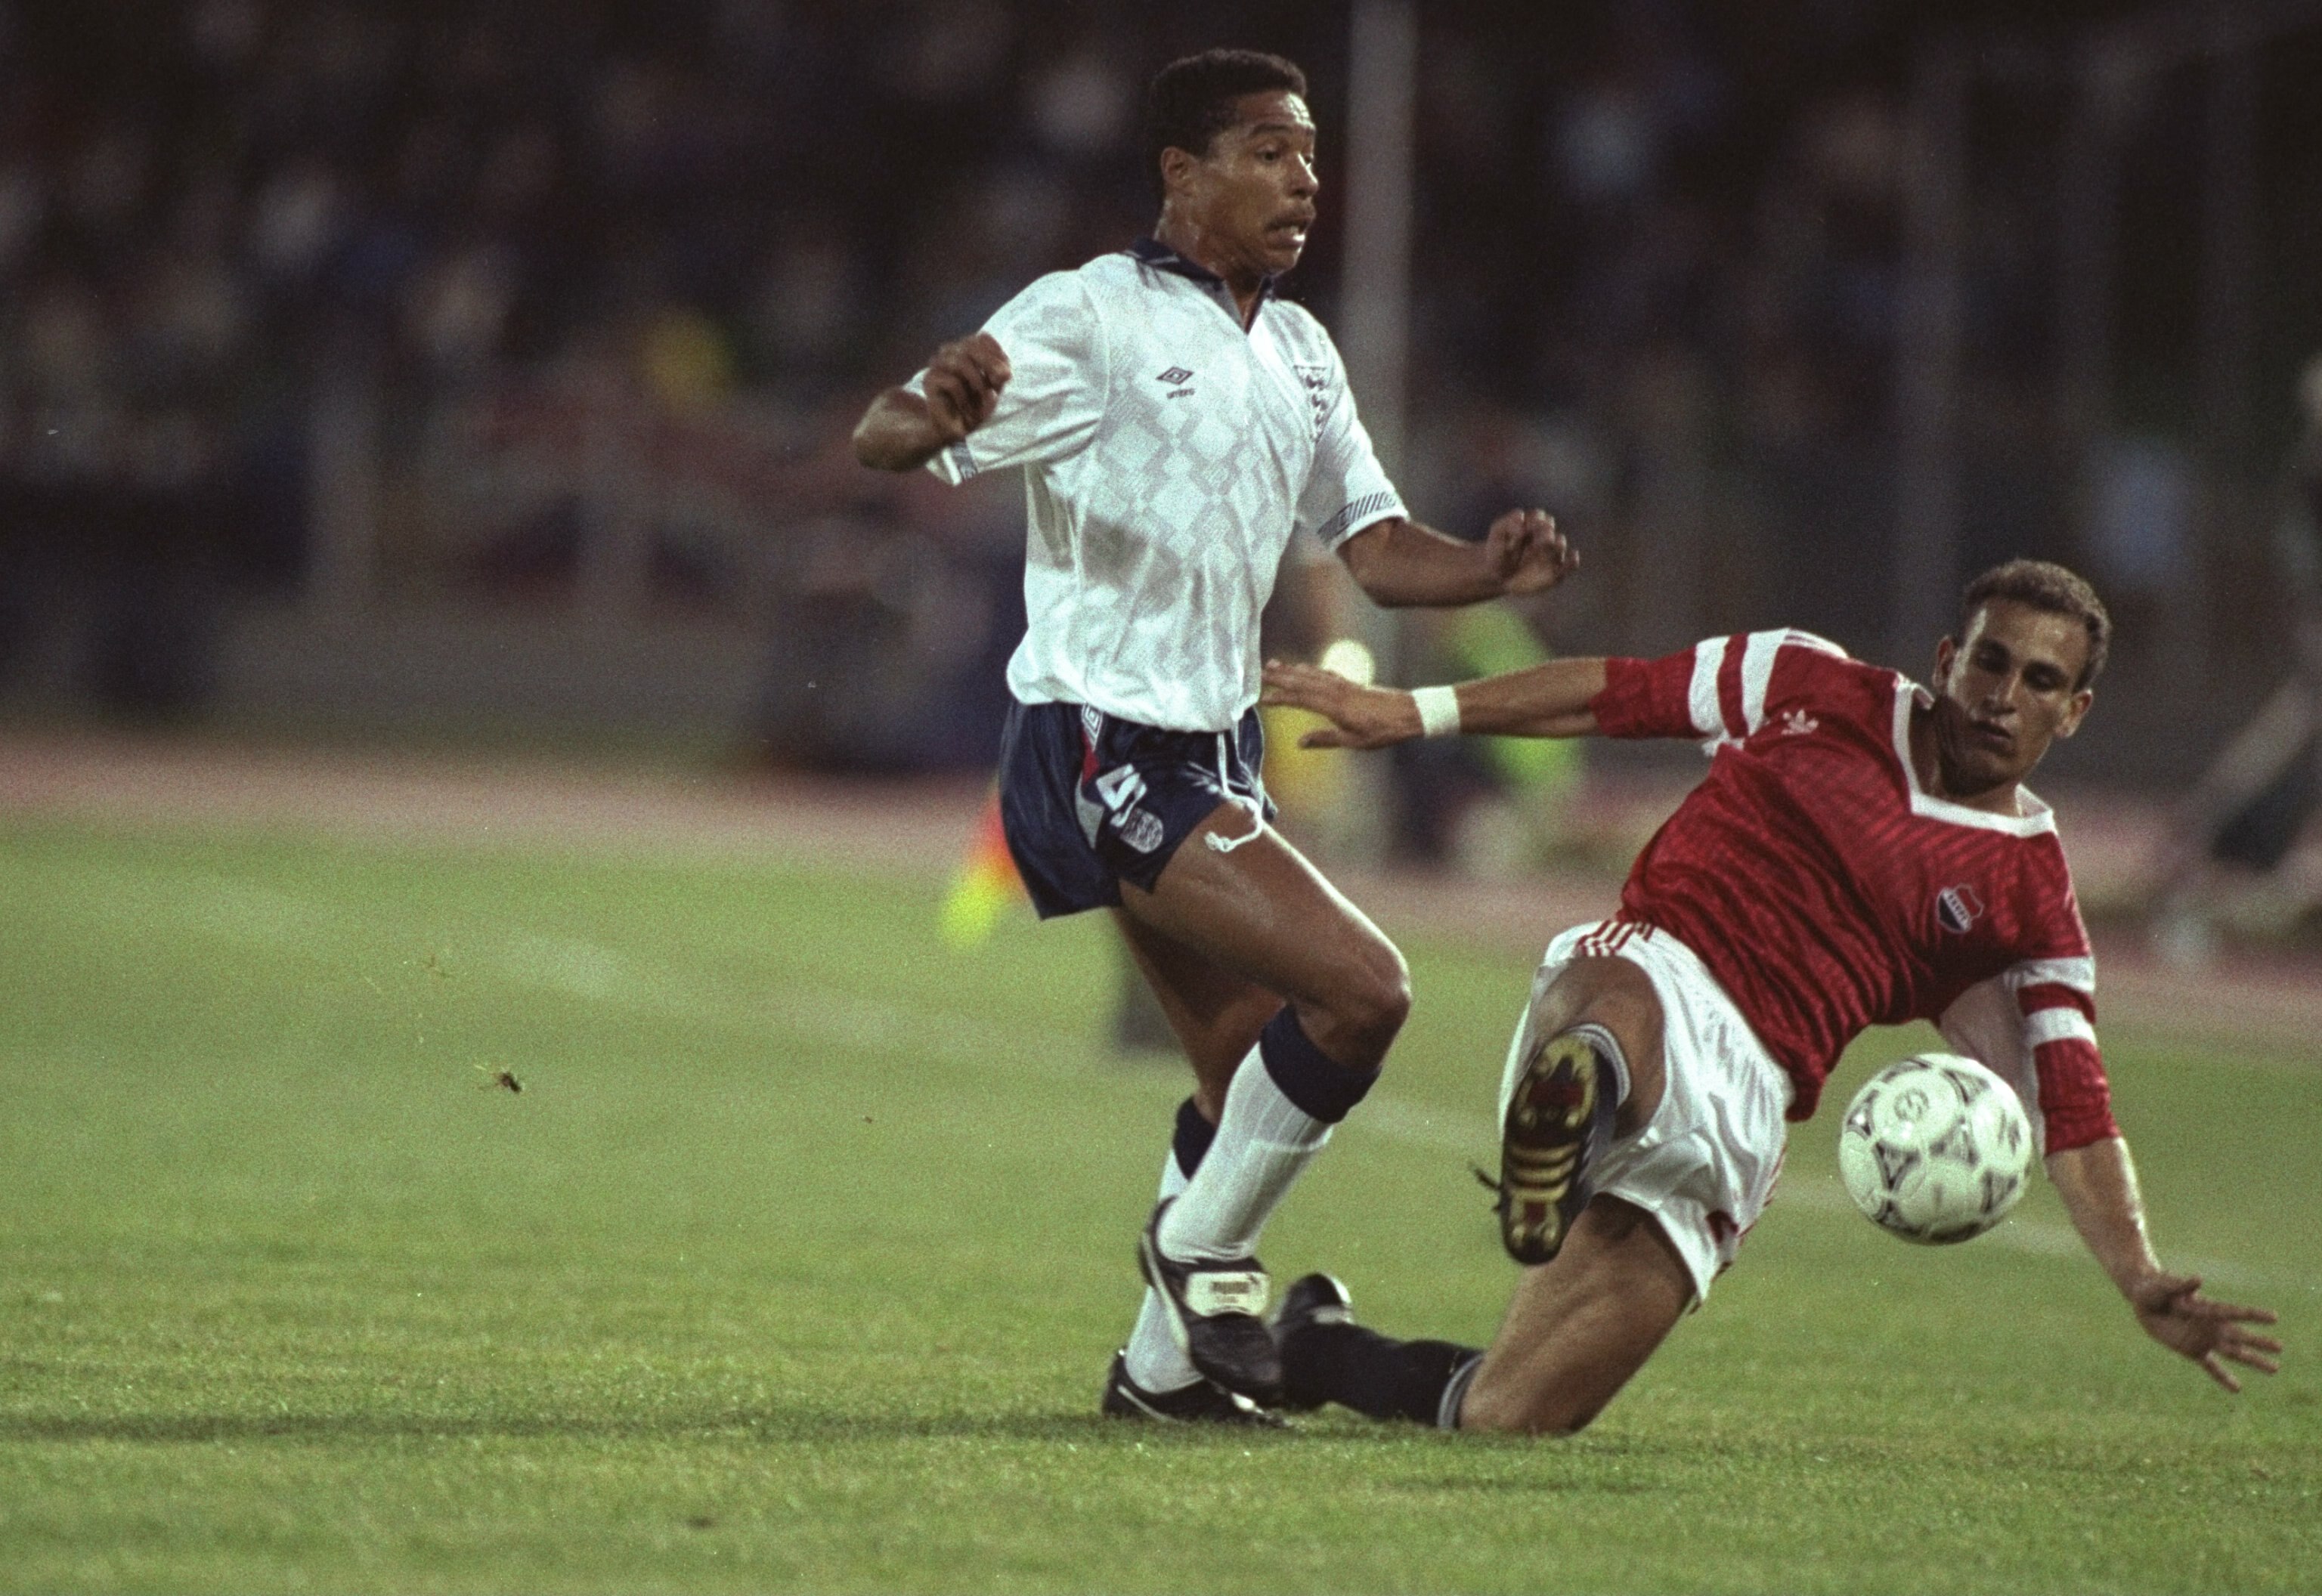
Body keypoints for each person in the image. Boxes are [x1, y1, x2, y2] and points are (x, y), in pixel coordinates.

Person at [851, 48, 1578, 1424]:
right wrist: (920, 416)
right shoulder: (1093, 314)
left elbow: (1372, 544)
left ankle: (1161, 1378)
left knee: (1245, 1083)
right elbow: (897, 431)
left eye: (1308, 155)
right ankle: (1197, 1259)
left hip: (1216, 748)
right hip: (1103, 742)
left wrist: (1488, 567)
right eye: (1265, 150)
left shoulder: (1301, 352)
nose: (1302, 179)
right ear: (1181, 173)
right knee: (1367, 988)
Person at [1259, 559, 2283, 1434]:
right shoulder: (1812, 684)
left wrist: (2140, 1275)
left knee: (1512, 1412)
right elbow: (1621, 694)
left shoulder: (2032, 897)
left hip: (1752, 1103)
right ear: (1947, 660)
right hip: (1658, 963)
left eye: (2040, 680)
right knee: (1612, 1027)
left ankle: (1314, 1348)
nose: (2003, 693)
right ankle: (1572, 1115)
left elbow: (2075, 1109)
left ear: (2075, 709)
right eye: (1990, 661)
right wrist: (1417, 710)